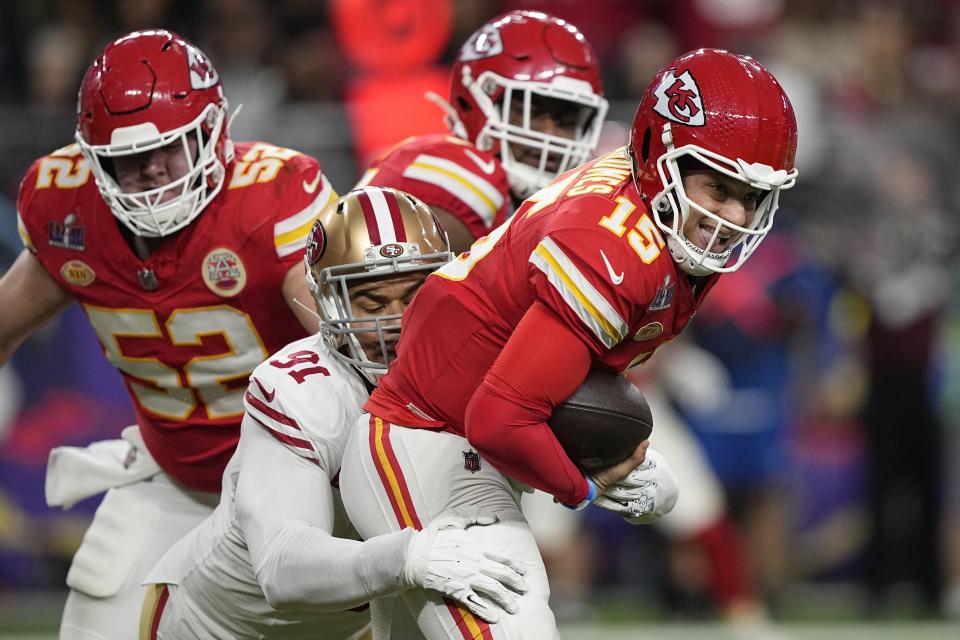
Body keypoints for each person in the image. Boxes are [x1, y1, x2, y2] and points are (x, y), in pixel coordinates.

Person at [339, 48, 799, 639]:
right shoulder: (614, 253)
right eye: (719, 188)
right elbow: (500, 418)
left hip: (452, 445)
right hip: (424, 442)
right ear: (662, 161)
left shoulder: (654, 221)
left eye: (754, 196)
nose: (734, 216)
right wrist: (594, 485)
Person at [2, 30, 336, 638]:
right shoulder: (68, 210)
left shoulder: (270, 200)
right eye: (129, 160)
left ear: (214, 133)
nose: (153, 172)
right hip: (178, 481)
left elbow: (353, 354)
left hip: (310, 485)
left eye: (171, 149)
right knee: (93, 628)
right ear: (91, 159)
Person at [140, 186, 529, 638]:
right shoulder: (298, 389)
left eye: (415, 294)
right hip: (220, 626)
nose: (398, 323)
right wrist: (409, 557)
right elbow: (284, 568)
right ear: (329, 304)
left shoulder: (477, 364)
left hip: (353, 628)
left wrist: (616, 465)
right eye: (374, 304)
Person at [357, 10, 609, 252]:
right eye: (531, 111)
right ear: (475, 101)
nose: (550, 133)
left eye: (566, 119)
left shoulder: (579, 203)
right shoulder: (458, 182)